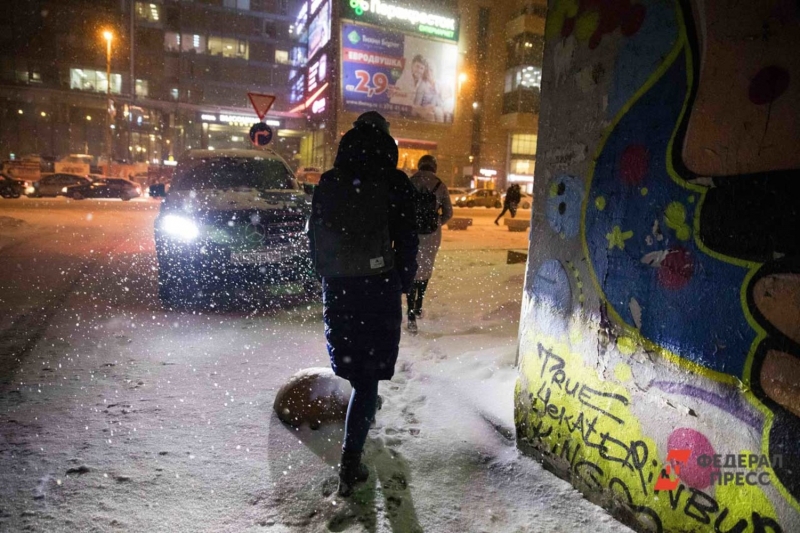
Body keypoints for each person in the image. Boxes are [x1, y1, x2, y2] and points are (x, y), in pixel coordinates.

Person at [308, 111, 419, 497]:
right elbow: (408, 238)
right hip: (378, 284)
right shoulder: (394, 182)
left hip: (339, 284)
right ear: (387, 144)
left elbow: (314, 238)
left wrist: (328, 276)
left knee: (356, 366)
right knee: (369, 375)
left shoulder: (329, 182)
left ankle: (362, 411)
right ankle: (350, 463)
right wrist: (403, 281)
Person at [407, 155, 452, 334]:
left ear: (419, 166)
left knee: (412, 268)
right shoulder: (440, 185)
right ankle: (419, 305)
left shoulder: (409, 182)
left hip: (411, 233)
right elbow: (448, 212)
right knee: (426, 268)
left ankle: (410, 312)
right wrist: (436, 222)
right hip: (432, 235)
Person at [390, 55, 444, 122]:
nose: (419, 70)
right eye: (417, 66)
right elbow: (399, 99)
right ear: (412, 65)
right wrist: (420, 109)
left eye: (422, 68)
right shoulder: (404, 77)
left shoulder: (421, 80)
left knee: (432, 115)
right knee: (428, 114)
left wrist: (424, 109)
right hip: (398, 109)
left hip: (411, 110)